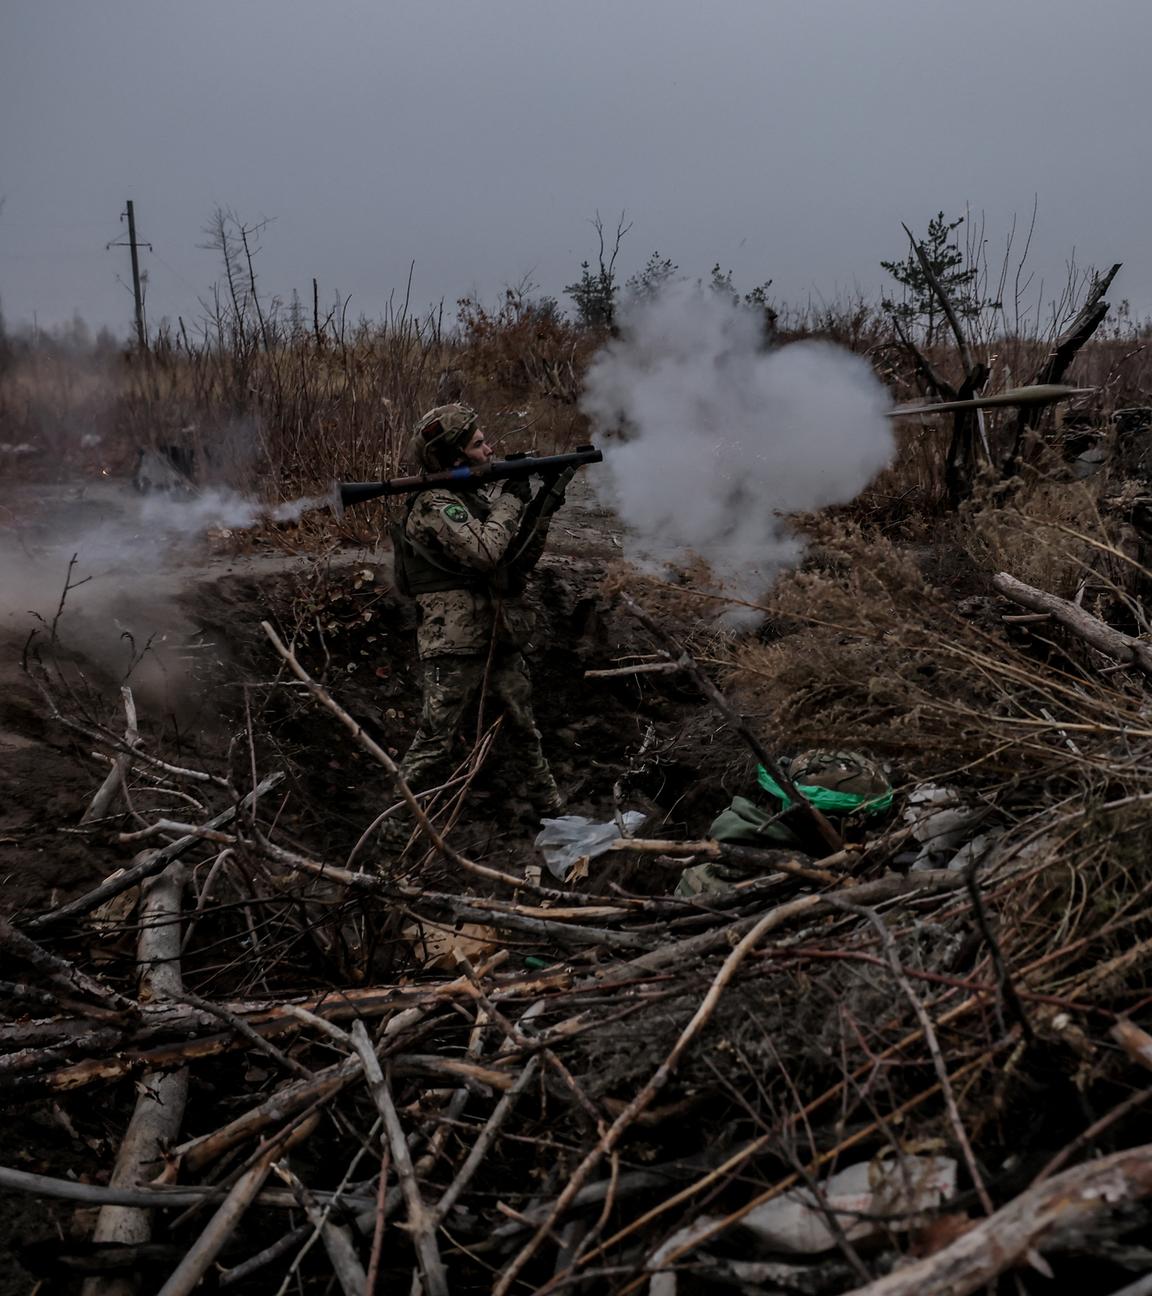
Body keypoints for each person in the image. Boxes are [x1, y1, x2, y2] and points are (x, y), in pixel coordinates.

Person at [384, 403, 573, 845]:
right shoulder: (436, 503)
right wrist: (511, 497)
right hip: (451, 645)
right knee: (432, 747)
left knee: (526, 731)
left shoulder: (468, 499)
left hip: (494, 633)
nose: (490, 449)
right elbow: (485, 551)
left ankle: (555, 818)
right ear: (454, 459)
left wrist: (543, 500)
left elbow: (512, 564)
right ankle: (389, 840)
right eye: (477, 444)